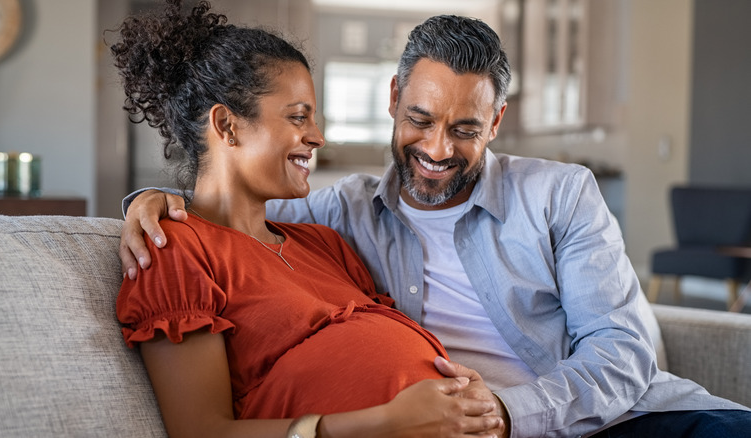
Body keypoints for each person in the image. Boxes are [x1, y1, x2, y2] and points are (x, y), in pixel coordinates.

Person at [120, 12, 751, 438]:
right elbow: (224, 215)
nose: (438, 148)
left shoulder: (561, 195)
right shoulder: (342, 212)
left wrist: (506, 413)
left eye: (466, 129)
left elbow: (622, 354)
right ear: (393, 97)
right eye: (420, 118)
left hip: (611, 421)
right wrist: (145, 200)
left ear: (497, 122)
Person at [111, 2, 507, 437]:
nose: (317, 137)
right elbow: (201, 432)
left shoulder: (323, 242)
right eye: (299, 117)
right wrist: (385, 422)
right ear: (226, 125)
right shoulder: (175, 251)